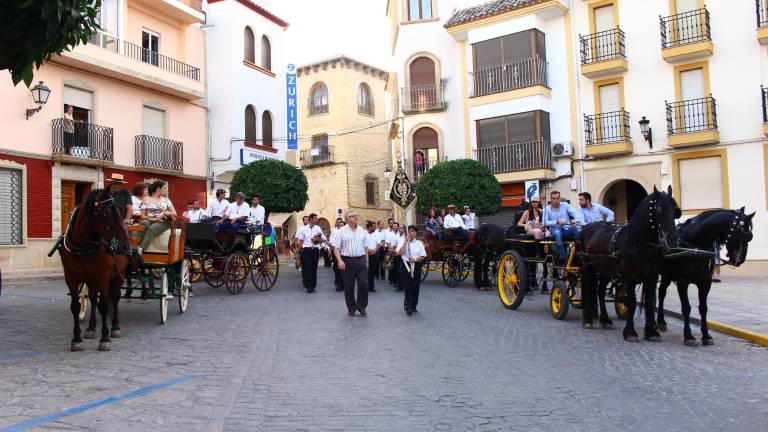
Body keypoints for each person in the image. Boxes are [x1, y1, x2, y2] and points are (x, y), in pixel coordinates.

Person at [331, 211, 370, 317]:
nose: (356, 217)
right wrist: (339, 260)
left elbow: (366, 246)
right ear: (348, 218)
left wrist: (367, 261)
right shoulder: (341, 231)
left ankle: (361, 306)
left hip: (361, 259)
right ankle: (351, 308)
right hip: (347, 260)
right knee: (349, 286)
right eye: (354, 216)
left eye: (356, 215)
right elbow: (336, 247)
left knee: (364, 284)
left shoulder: (362, 230)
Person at [137, 180, 176, 256]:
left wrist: (164, 213)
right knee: (143, 223)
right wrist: (152, 219)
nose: (165, 190)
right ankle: (134, 244)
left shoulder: (166, 200)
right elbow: (142, 216)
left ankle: (140, 249)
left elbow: (174, 213)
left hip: (163, 222)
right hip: (150, 219)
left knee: (152, 228)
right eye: (164, 188)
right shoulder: (146, 199)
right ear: (158, 189)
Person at [543, 191, 582, 265]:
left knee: (575, 228)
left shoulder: (565, 205)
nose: (555, 200)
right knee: (557, 233)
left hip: (567, 229)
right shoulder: (546, 209)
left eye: (557, 198)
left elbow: (575, 213)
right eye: (553, 198)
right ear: (550, 199)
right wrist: (556, 222)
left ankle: (581, 251)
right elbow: (544, 223)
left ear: (559, 198)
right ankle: (563, 258)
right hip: (555, 231)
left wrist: (576, 220)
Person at [397, 225, 427, 315]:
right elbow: (401, 252)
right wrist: (406, 241)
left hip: (416, 266)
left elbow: (423, 255)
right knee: (408, 286)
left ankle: (414, 306)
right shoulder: (403, 241)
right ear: (408, 232)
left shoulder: (419, 243)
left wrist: (415, 259)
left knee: (416, 286)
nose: (413, 233)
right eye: (411, 231)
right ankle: (408, 306)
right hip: (406, 266)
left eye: (414, 231)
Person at [296, 213, 325, 293]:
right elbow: (300, 241)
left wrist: (317, 240)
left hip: (315, 250)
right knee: (308, 268)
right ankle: (308, 286)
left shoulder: (318, 228)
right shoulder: (303, 229)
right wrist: (297, 252)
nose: (317, 220)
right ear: (311, 219)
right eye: (315, 218)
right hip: (307, 250)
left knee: (314, 268)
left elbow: (322, 238)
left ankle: (313, 286)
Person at [366, 221, 380, 293]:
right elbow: (362, 245)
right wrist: (368, 250)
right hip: (366, 255)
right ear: (370, 227)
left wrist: (374, 250)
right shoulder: (364, 234)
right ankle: (366, 286)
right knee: (366, 271)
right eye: (374, 226)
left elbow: (379, 244)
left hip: (374, 255)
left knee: (373, 271)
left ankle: (371, 286)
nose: (375, 227)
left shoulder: (377, 234)